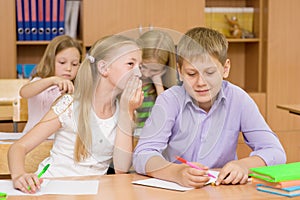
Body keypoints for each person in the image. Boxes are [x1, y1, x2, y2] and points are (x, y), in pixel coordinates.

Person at [133, 27, 286, 188]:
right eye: (192, 74)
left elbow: (275, 151)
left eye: (210, 73)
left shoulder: (239, 99)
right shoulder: (169, 100)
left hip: (221, 190)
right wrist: (175, 172)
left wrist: (244, 165)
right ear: (179, 71)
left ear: (225, 69)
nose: (201, 83)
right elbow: (143, 154)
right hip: (176, 192)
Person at [8, 34, 144, 193]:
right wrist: (19, 176)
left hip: (91, 192)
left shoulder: (124, 112)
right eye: (130, 64)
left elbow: (121, 169)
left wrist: (126, 112)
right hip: (51, 189)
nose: (139, 74)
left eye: (140, 66)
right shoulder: (69, 106)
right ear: (103, 68)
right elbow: (18, 147)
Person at [20, 35, 82, 134]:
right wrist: (53, 80)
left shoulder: (77, 88)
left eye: (74, 64)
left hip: (62, 143)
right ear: (50, 61)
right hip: (33, 141)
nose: (69, 68)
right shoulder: (39, 81)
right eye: (62, 62)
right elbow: (24, 92)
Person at [135, 30, 177, 135]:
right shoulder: (129, 82)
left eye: (154, 71)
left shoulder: (168, 89)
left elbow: (166, 113)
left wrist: (158, 82)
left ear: (166, 68)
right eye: (143, 66)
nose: (147, 74)